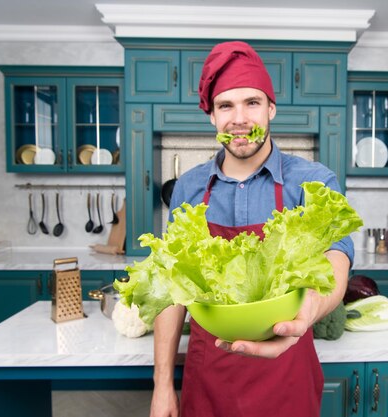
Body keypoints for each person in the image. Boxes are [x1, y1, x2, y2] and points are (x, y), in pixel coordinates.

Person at [149, 40, 354, 417]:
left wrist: (304, 318)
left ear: (271, 108)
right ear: (212, 116)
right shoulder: (189, 188)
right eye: (226, 105)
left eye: (252, 103)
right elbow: (171, 289)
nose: (239, 118)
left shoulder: (312, 181)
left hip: (287, 371)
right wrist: (162, 385)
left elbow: (335, 262)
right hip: (210, 372)